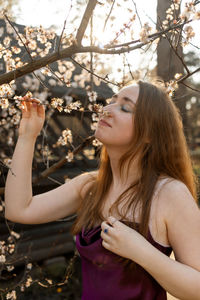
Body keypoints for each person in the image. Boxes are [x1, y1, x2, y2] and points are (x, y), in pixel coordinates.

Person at [5, 80, 200, 300]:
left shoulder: (169, 194)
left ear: (150, 134)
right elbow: (18, 209)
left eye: (125, 107)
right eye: (111, 102)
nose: (106, 110)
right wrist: (27, 136)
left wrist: (140, 251)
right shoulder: (90, 186)